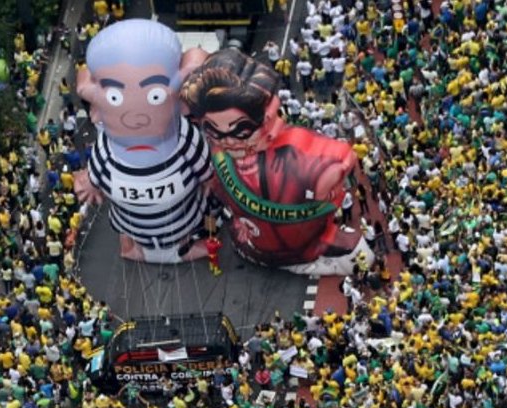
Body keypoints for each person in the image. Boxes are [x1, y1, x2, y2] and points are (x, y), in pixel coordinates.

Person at [181, 49, 375, 275]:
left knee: (357, 253)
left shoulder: (296, 157)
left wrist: (325, 178)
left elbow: (338, 159)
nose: (229, 141)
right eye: (213, 130)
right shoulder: (220, 152)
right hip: (252, 241)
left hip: (301, 246)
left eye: (242, 130)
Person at [74, 19, 214, 263]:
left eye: (155, 95)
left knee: (183, 222)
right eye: (115, 97)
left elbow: (205, 169)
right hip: (132, 218)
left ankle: (174, 244)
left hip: (181, 216)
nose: (136, 118)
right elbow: (206, 171)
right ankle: (133, 243)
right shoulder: (107, 150)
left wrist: (211, 180)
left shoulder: (183, 140)